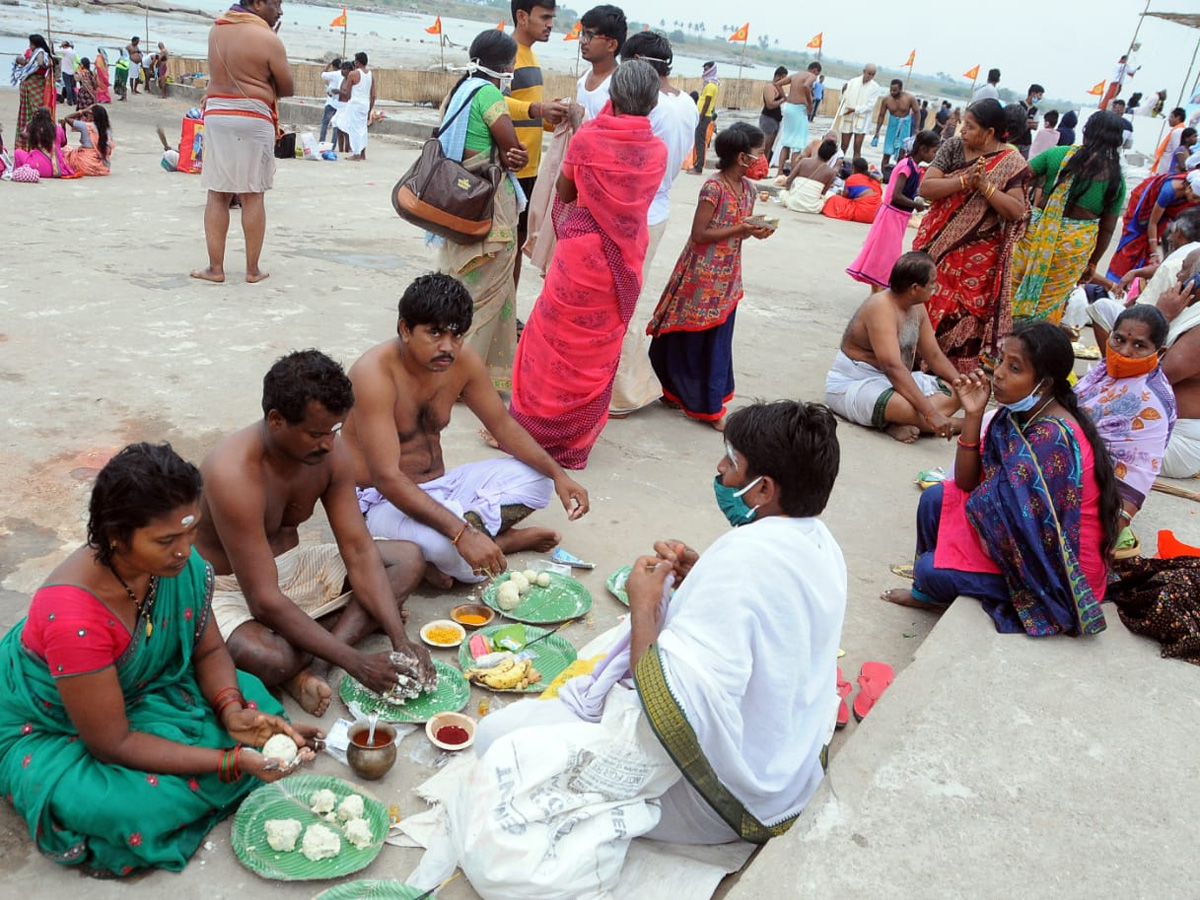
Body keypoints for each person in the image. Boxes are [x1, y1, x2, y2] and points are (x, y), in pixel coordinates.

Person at [470, 399, 846, 849]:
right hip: (783, 771)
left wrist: (644, 606)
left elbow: (668, 711)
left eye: (733, 462)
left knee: (495, 738)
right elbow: (773, 617)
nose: (721, 469)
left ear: (764, 490)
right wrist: (700, 575)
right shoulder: (819, 542)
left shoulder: (746, 559)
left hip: (720, 799)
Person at [0, 443, 322, 876]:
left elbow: (208, 649)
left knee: (252, 698)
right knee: (128, 809)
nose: (185, 551)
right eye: (167, 540)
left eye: (192, 532)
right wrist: (228, 762)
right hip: (55, 723)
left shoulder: (176, 565)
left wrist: (230, 711)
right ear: (115, 535)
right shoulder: (75, 617)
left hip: (140, 689)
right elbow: (112, 744)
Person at [194, 350, 434, 716]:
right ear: (276, 421)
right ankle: (315, 654)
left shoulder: (329, 453)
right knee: (267, 657)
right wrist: (358, 663)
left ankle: (316, 664)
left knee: (407, 559)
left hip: (293, 569)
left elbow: (358, 550)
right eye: (316, 434)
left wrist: (400, 641)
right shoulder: (233, 474)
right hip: (229, 588)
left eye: (334, 431)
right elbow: (263, 600)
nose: (328, 443)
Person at [345, 274, 590, 584]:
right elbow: (387, 477)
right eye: (434, 333)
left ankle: (452, 550)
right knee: (450, 550)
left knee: (538, 479)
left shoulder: (462, 362)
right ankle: (498, 542)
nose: (447, 347)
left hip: (441, 486)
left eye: (457, 335)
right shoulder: (373, 375)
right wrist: (461, 533)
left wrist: (560, 476)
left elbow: (502, 426)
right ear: (405, 329)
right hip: (381, 502)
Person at [882, 323, 1120, 638]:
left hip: (1055, 570)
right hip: (1018, 539)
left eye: (1014, 367)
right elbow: (968, 484)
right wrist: (973, 414)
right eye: (1001, 361)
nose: (999, 374)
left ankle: (935, 582)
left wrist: (965, 537)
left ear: (1044, 384)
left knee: (929, 569)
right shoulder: (1018, 414)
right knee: (935, 499)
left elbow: (1020, 526)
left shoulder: (1054, 437)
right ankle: (930, 589)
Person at [509, 61, 667, 466]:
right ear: (651, 104)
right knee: (596, 352)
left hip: (579, 257)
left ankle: (530, 433)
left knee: (549, 342)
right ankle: (572, 444)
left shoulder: (590, 138)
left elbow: (565, 188)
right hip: (623, 263)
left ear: (613, 97)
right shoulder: (657, 151)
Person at [648, 122, 774, 431]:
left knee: (714, 337)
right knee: (691, 334)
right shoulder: (713, 188)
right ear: (742, 157)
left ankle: (681, 392)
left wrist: (756, 232)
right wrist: (740, 229)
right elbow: (700, 234)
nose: (762, 158)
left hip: (728, 275)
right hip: (700, 274)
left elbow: (739, 233)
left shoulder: (749, 189)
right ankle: (704, 405)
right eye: (758, 153)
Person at [432, 30, 528, 392]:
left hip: (457, 200)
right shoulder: (489, 94)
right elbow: (512, 149)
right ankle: (461, 378)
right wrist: (517, 155)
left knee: (462, 287)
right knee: (487, 296)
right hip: (489, 205)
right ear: (505, 65)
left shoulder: (458, 90)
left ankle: (452, 368)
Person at [609, 31, 698, 417]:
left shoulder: (652, 106)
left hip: (636, 210)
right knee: (627, 298)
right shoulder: (686, 103)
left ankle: (625, 391)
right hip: (658, 209)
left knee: (619, 304)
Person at [914, 98, 1031, 373]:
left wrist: (986, 187)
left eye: (970, 126)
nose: (962, 131)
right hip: (939, 246)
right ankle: (918, 363)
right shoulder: (954, 147)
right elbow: (926, 187)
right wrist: (964, 181)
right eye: (963, 124)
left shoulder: (1012, 162)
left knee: (965, 314)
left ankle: (953, 373)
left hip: (979, 257)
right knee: (929, 301)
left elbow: (1016, 211)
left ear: (989, 132)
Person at [190, 0, 294, 285]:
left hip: (217, 112)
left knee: (217, 193)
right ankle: (252, 269)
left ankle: (216, 268)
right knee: (253, 194)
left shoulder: (218, 28)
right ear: (258, 4)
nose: (280, 11)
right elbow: (286, 87)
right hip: (253, 114)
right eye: (277, 4)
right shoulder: (267, 38)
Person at [827, 251, 963, 442]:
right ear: (915, 288)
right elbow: (892, 367)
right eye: (932, 283)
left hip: (896, 381)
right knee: (903, 407)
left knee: (955, 393)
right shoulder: (880, 307)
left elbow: (933, 355)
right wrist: (931, 413)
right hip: (855, 383)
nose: (935, 287)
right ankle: (965, 425)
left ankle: (899, 421)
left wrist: (964, 386)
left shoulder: (917, 307)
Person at [1075, 306, 1175, 556]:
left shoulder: (1151, 402)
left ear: (1159, 352)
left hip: (1090, 494)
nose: (1125, 352)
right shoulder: (1104, 371)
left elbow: (1137, 474)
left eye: (1139, 345)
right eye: (1119, 339)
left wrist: (1108, 534)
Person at [1090, 251, 1200, 478]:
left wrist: (1163, 314)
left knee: (1075, 438)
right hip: (1147, 423)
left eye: (1184, 270)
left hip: (1175, 438)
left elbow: (1148, 379)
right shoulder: (1191, 311)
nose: (1178, 275)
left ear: (1195, 281)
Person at [1010, 110, 1125, 325]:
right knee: (1049, 304)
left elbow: (1017, 177)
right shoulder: (1116, 179)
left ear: (1085, 132)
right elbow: (1107, 229)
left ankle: (997, 343)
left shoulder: (1057, 155)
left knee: (1012, 290)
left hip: (1034, 237)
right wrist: (1092, 263)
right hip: (1072, 249)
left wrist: (1024, 208)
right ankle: (1035, 346)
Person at [508, 0, 568, 290]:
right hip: (510, 166)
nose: (550, 25)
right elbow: (491, 100)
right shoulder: (507, 55)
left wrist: (551, 116)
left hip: (530, 169)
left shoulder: (531, 56)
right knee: (502, 247)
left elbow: (531, 114)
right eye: (545, 17)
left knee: (517, 246)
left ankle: (508, 313)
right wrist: (537, 108)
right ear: (522, 16)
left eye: (552, 18)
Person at [848, 130, 940, 289]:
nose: (934, 156)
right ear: (924, 149)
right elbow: (896, 196)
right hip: (892, 215)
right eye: (934, 151)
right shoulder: (907, 166)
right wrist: (916, 205)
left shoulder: (915, 167)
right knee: (886, 255)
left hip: (899, 217)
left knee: (884, 254)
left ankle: (877, 289)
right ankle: (879, 289)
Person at [1105, 169, 1200, 281]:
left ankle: (1137, 280)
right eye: (1194, 197)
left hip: (1162, 215)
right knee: (1132, 245)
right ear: (1188, 187)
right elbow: (1153, 222)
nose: (1194, 202)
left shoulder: (1190, 196)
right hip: (1144, 210)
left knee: (1149, 248)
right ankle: (1113, 281)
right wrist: (1154, 253)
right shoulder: (1168, 191)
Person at [577, 5, 625, 121]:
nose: (582, 41)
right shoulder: (583, 77)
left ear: (611, 45)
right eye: (582, 34)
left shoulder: (620, 85)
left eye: (589, 36)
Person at [776, 61, 821, 173]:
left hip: (789, 107)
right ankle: (793, 172)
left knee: (786, 141)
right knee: (797, 143)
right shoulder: (811, 76)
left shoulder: (795, 75)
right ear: (815, 70)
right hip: (799, 108)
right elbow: (806, 86)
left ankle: (779, 171)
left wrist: (785, 98)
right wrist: (810, 103)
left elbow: (777, 84)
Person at [13, 35, 55, 150]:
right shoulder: (31, 52)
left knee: (36, 112)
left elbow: (42, 63)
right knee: (26, 112)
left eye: (31, 44)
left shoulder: (41, 53)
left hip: (36, 86)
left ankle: (37, 142)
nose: (30, 46)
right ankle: (25, 143)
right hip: (28, 88)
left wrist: (31, 62)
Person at [331, 52, 374, 161]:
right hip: (365, 104)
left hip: (355, 103)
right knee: (363, 128)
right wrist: (370, 109)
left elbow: (348, 93)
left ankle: (356, 153)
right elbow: (373, 95)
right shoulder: (370, 75)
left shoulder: (353, 74)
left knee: (353, 128)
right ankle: (363, 153)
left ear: (357, 62)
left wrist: (338, 91)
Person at [778, 137, 838, 213]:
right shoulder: (831, 172)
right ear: (831, 156)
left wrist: (789, 191)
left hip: (793, 203)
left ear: (818, 150)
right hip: (813, 208)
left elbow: (789, 180)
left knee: (782, 193)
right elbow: (823, 194)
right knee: (830, 195)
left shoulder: (804, 161)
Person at [833, 63, 881, 157]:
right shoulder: (852, 82)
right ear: (864, 71)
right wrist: (843, 92)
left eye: (872, 74)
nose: (870, 76)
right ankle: (838, 166)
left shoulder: (875, 87)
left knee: (857, 146)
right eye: (868, 73)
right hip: (848, 116)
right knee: (844, 145)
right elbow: (843, 99)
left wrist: (855, 109)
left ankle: (856, 169)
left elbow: (870, 106)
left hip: (862, 120)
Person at [13, 106, 74, 177]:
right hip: (58, 168)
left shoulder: (34, 129)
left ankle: (19, 173)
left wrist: (31, 121)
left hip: (37, 168)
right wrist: (64, 128)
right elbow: (64, 144)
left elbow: (22, 134)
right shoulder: (59, 129)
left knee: (17, 152)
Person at [873, 78, 919, 169]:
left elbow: (917, 112)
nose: (892, 92)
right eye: (891, 90)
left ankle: (897, 176)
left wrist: (917, 128)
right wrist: (877, 131)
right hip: (892, 126)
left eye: (895, 90)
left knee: (901, 154)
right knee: (887, 152)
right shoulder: (886, 99)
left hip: (905, 125)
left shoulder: (909, 98)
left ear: (900, 89)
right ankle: (884, 175)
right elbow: (881, 115)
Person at [822, 156, 883, 223]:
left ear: (853, 168)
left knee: (834, 199)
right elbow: (879, 194)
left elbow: (845, 196)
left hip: (862, 212)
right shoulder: (874, 180)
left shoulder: (852, 178)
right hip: (876, 214)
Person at [60, 104, 114, 175]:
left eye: (89, 114)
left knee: (65, 152)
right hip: (102, 166)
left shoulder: (86, 126)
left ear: (93, 116)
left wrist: (83, 111)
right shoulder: (108, 130)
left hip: (85, 164)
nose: (87, 116)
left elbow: (67, 118)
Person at [690, 59, 719, 173]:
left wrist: (701, 116)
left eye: (706, 69)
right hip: (703, 114)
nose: (704, 71)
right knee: (699, 141)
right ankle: (697, 164)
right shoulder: (709, 83)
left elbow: (707, 102)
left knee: (700, 141)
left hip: (704, 115)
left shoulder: (711, 85)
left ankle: (698, 167)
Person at [758, 65, 787, 165]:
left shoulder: (778, 88)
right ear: (779, 76)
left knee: (769, 146)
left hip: (776, 120)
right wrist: (783, 100)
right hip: (768, 119)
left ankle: (764, 167)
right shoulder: (770, 88)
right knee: (764, 146)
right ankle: (760, 166)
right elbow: (770, 104)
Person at [1152, 107, 1187, 175]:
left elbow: (1177, 151)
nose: (1169, 119)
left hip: (1167, 166)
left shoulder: (1177, 132)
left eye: (1171, 117)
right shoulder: (1178, 130)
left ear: (1178, 118)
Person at [318, 57, 343, 145]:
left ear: (333, 66)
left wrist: (328, 65)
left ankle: (321, 142)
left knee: (325, 123)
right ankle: (333, 144)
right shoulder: (344, 75)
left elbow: (322, 74)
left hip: (331, 101)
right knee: (336, 125)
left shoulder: (334, 74)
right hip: (340, 103)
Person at [1015, 83, 1044, 158]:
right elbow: (1014, 120)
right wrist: (1029, 122)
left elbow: (1035, 126)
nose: (1040, 98)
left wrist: (1023, 121)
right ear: (1033, 93)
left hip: (1026, 142)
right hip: (1014, 140)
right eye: (1039, 95)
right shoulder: (1018, 104)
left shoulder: (1035, 110)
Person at [58, 40, 76, 105]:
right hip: (71, 70)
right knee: (71, 86)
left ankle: (69, 100)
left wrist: (59, 47)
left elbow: (55, 51)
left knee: (68, 86)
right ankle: (74, 99)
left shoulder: (66, 51)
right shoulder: (73, 52)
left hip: (66, 71)